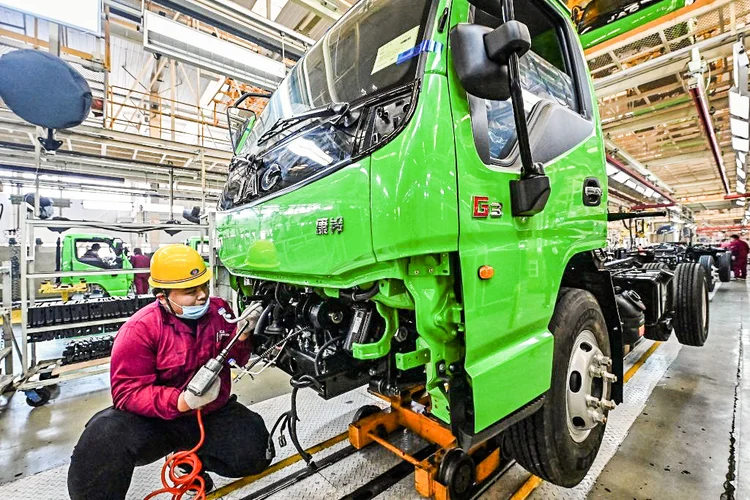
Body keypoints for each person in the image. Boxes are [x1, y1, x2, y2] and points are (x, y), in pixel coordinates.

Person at [68, 245, 271, 500]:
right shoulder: (139, 330)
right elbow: (127, 393)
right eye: (190, 291)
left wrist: (242, 337)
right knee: (104, 438)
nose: (202, 296)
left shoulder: (219, 312)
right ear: (162, 296)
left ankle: (189, 458)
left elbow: (235, 360)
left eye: (204, 286)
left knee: (256, 452)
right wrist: (180, 401)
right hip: (157, 420)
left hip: (209, 412)